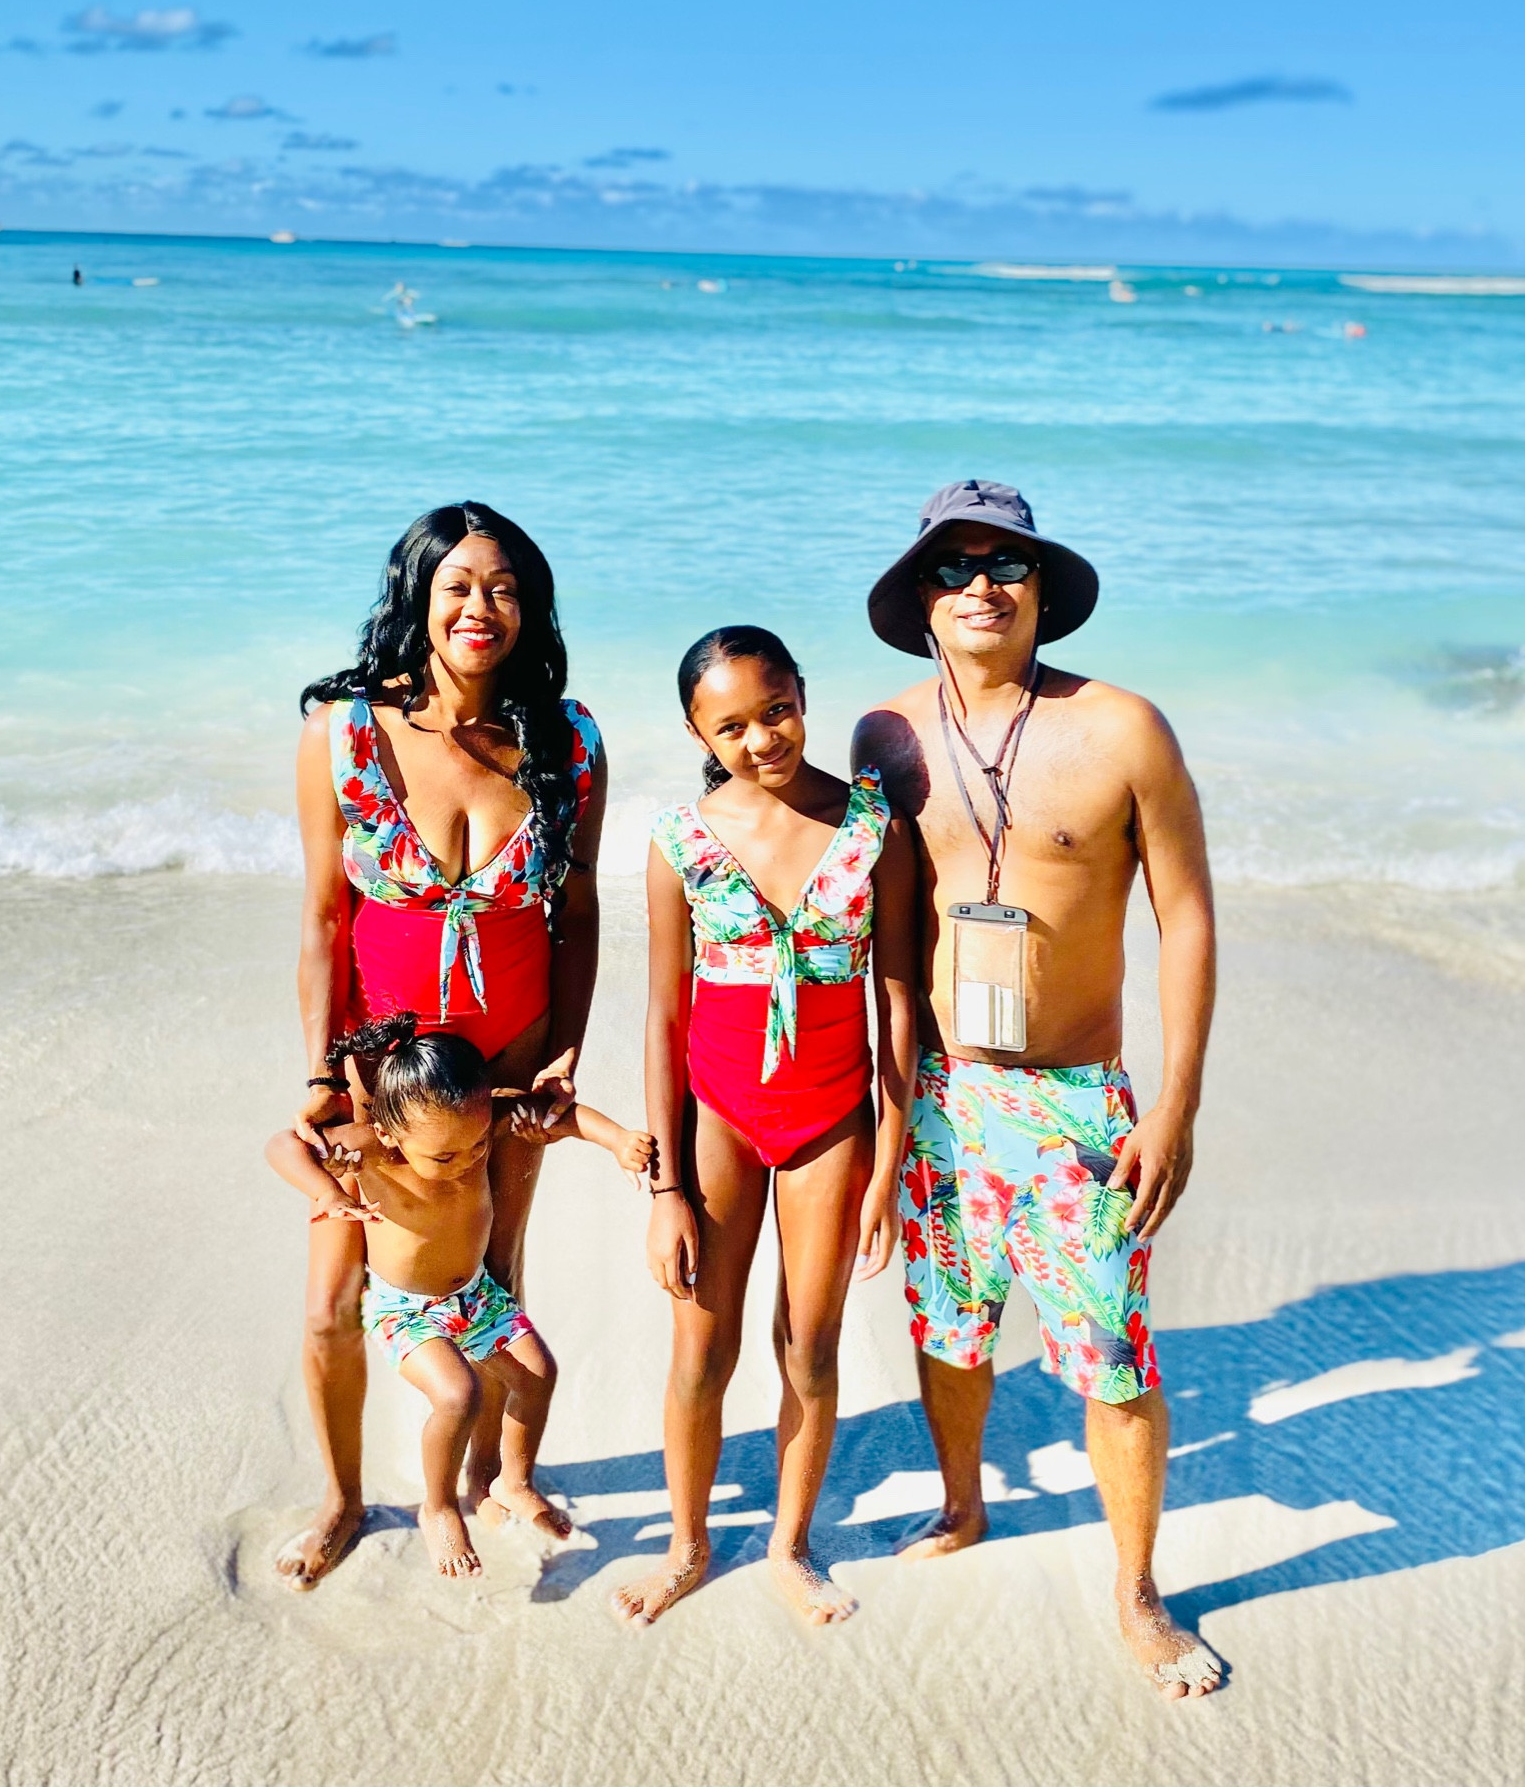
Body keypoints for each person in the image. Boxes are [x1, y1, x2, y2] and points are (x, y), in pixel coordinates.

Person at [853, 479, 1222, 1700]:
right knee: (947, 1326)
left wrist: (1174, 1105)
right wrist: (884, 1107)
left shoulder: (1121, 728)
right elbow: (884, 933)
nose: (981, 585)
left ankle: (1136, 1586)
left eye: (1006, 563)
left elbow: (1186, 915)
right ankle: (963, 1501)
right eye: (953, 567)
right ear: (919, 598)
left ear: (1043, 589)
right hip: (945, 1096)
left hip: (1077, 1102)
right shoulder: (884, 735)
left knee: (1114, 1354)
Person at [279, 500, 606, 1589]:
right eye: (458, 585)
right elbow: (323, 916)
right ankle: (340, 1497)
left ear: (531, 609)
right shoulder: (347, 733)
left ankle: (484, 1479)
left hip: (508, 1061)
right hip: (381, 1072)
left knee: (492, 1281)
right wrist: (323, 1073)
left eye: (505, 588)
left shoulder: (567, 739)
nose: (481, 607)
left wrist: (565, 1051)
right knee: (332, 1303)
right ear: (415, 594)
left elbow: (578, 911)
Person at [612, 626, 918, 1629]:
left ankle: (790, 1545)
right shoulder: (680, 840)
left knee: (810, 1348)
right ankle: (686, 1545)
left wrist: (886, 1164)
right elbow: (663, 1016)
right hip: (718, 1118)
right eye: (732, 726)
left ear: (802, 696)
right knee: (700, 1352)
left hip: (832, 1119)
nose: (761, 739)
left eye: (776, 711)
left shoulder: (872, 827)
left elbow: (897, 1002)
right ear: (698, 732)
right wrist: (665, 1190)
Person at [266, 1013, 651, 1578]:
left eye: (477, 1145)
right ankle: (439, 1507)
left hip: (475, 1295)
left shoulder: (481, 1120)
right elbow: (283, 1146)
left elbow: (561, 1116)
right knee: (458, 1396)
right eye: (445, 1157)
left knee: (538, 1374)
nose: (468, 1160)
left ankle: (513, 1480)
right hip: (406, 1309)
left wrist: (617, 1140)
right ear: (391, 1134)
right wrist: (326, 1189)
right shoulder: (374, 1147)